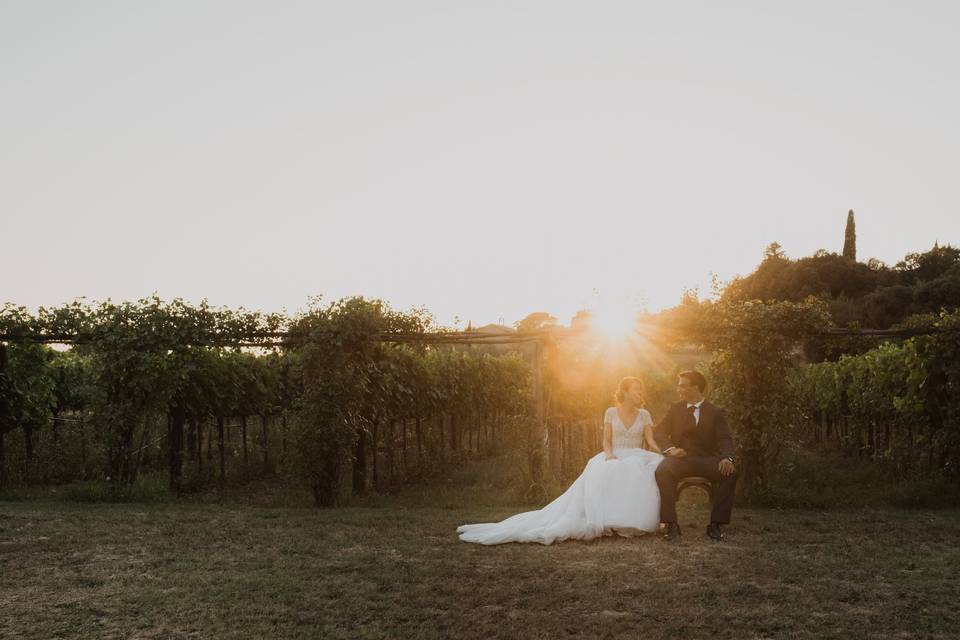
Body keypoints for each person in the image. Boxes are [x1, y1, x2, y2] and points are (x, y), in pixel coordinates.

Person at [457, 377, 663, 545]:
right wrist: (609, 455)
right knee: (608, 470)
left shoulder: (644, 414)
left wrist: (662, 452)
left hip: (635, 454)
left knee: (638, 470)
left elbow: (651, 441)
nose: (640, 393)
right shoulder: (610, 412)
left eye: (641, 390)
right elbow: (606, 440)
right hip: (613, 453)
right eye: (636, 389)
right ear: (624, 392)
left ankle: (629, 521)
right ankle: (607, 520)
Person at [654, 370, 737, 542]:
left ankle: (716, 524)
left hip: (707, 459)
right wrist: (670, 449)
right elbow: (660, 432)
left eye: (682, 386)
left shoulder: (715, 412)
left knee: (730, 472)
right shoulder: (675, 409)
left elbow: (725, 438)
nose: (678, 390)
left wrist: (727, 458)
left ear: (695, 387)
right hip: (680, 459)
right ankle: (670, 524)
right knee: (662, 470)